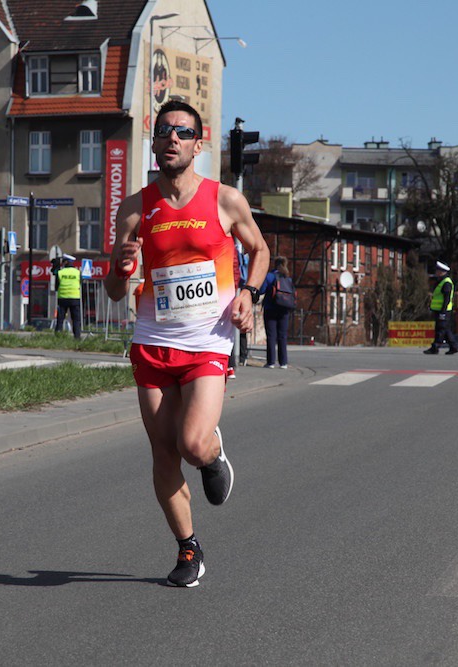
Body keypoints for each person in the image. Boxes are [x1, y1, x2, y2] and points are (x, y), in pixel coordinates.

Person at [105, 100, 270, 588]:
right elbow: (113, 290)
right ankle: (188, 548)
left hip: (207, 340)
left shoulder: (226, 200)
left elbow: (259, 250)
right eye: (163, 131)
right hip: (153, 340)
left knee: (191, 443)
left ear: (199, 144)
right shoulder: (135, 207)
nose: (171, 138)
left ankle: (213, 454)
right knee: (163, 452)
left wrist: (248, 293)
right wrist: (121, 269)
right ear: (154, 143)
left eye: (182, 132)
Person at [260, 255, 295, 369]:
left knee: (271, 335)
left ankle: (271, 362)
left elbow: (262, 290)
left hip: (271, 308)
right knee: (282, 336)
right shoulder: (287, 278)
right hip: (284, 309)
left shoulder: (270, 276)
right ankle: (283, 362)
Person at [424, 260, 458, 355]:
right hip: (439, 310)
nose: (436, 272)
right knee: (445, 329)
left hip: (444, 310)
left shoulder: (446, 283)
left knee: (440, 329)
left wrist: (443, 312)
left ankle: (435, 347)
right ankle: (453, 346)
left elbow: (447, 298)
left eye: (438, 270)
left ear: (442, 271)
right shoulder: (441, 281)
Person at [54, 254, 82, 339]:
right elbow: (80, 284)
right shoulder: (78, 272)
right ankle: (77, 337)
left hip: (63, 299)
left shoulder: (60, 273)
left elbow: (56, 287)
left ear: (66, 262)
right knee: (76, 320)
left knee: (60, 319)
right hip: (75, 299)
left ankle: (58, 337)